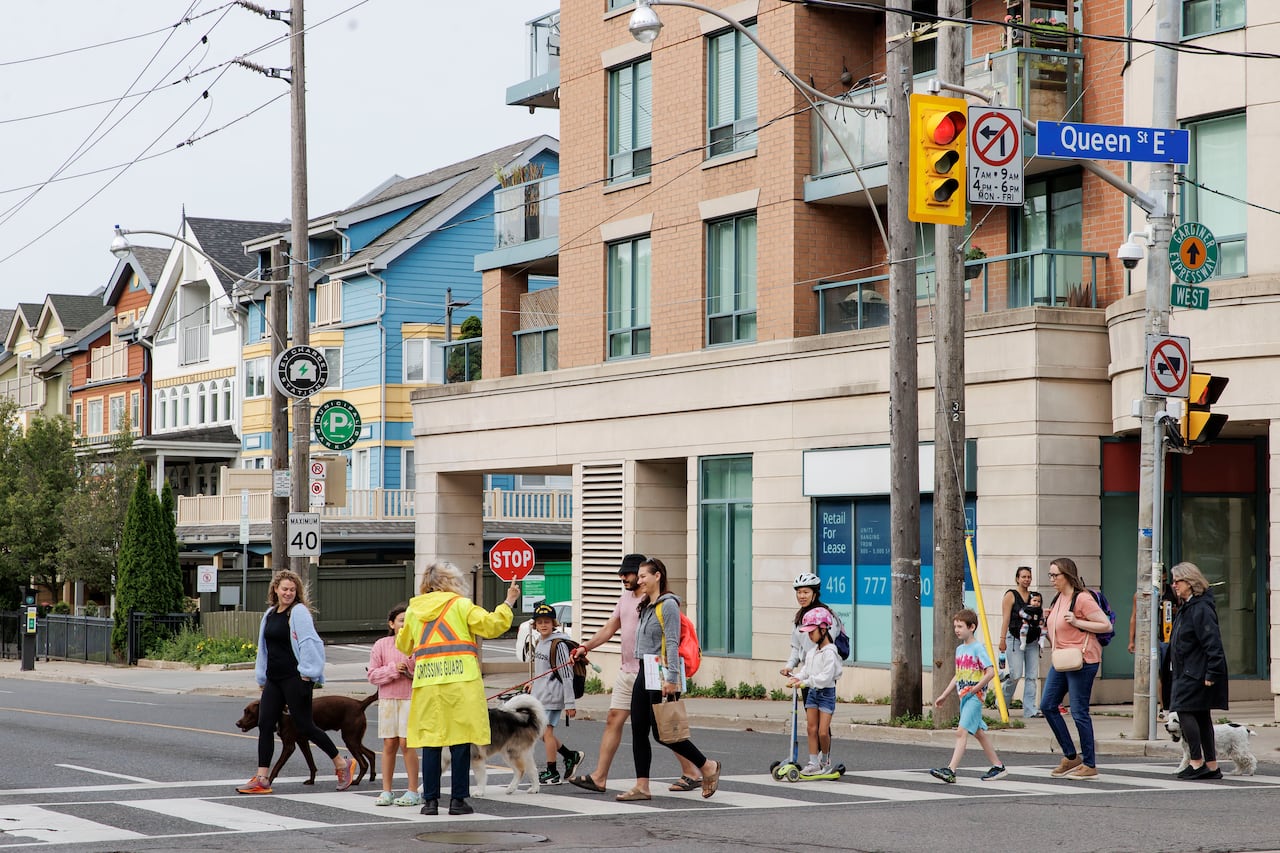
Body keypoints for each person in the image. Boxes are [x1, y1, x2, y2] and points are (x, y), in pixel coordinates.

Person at [568, 554, 701, 794]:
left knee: (661, 727)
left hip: (652, 673)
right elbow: (610, 628)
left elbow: (670, 641)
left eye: (632, 574)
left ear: (652, 576)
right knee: (619, 722)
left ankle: (695, 769)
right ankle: (601, 777)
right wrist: (585, 647)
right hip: (629, 671)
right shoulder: (629, 600)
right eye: (629, 574)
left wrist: (671, 678)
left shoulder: (660, 602)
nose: (625, 578)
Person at [396, 560, 519, 816]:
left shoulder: (413, 611)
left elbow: (404, 646)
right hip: (461, 684)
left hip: (429, 684)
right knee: (460, 743)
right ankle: (457, 801)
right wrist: (508, 602)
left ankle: (430, 802)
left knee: (431, 743)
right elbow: (492, 625)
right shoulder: (460, 605)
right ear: (450, 582)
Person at [237, 569, 356, 795]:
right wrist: (262, 677)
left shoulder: (298, 612)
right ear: (275, 589)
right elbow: (264, 648)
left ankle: (342, 763)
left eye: (292, 590)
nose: (288, 593)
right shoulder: (270, 614)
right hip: (274, 679)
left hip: (295, 678)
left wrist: (308, 673)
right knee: (265, 724)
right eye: (284, 589)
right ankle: (262, 778)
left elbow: (310, 643)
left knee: (304, 725)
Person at [616, 557, 722, 802]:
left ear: (657, 576)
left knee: (663, 732)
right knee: (639, 730)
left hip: (662, 672)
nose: (639, 580)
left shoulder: (668, 605)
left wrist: (672, 678)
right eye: (639, 576)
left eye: (643, 576)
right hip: (645, 669)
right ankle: (642, 786)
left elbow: (672, 642)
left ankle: (707, 766)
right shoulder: (646, 604)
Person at [1039, 557, 1113, 780]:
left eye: (1055, 575)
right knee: (1048, 705)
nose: (1051, 579)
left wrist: (1077, 621)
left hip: (1083, 659)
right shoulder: (1057, 598)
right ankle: (1071, 756)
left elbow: (1105, 624)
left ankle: (1089, 764)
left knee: (1079, 711)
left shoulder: (1082, 598)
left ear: (1068, 575)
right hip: (1062, 659)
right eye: (1050, 575)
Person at [929, 608, 1008, 783]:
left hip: (974, 697)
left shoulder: (978, 648)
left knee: (961, 732)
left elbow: (990, 672)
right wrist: (944, 695)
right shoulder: (959, 650)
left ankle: (951, 770)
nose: (957, 629)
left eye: (960, 626)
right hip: (963, 697)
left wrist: (976, 689)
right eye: (955, 626)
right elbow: (958, 675)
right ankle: (998, 766)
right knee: (978, 733)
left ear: (972, 627)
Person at [1167, 561, 1228, 780]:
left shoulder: (1200, 608)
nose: (1174, 585)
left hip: (1195, 672)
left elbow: (1213, 643)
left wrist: (1212, 673)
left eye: (1178, 581)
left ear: (1191, 582)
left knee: (1184, 711)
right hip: (1189, 670)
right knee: (1201, 715)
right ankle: (1211, 766)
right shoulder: (1189, 606)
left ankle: (1196, 762)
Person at [367, 603, 422, 806]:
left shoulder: (417, 645)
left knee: (407, 743)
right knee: (389, 743)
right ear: (391, 623)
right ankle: (386, 791)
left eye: (409, 622)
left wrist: (409, 673)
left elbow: (423, 674)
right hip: (388, 700)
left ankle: (412, 790)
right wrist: (392, 669)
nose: (404, 625)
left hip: (410, 698)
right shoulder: (381, 644)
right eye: (401, 621)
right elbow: (372, 675)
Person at [529, 603, 583, 785]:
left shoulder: (558, 644)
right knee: (541, 733)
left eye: (547, 622)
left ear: (554, 623)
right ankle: (570, 756)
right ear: (535, 625)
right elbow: (541, 670)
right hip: (540, 695)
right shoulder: (540, 642)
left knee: (547, 732)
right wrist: (532, 683)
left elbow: (566, 674)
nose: (543, 625)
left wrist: (570, 703)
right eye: (539, 622)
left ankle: (552, 772)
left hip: (553, 695)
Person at [784, 606, 842, 774]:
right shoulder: (811, 652)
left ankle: (825, 760)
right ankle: (813, 762)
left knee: (823, 732)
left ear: (823, 629)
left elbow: (825, 678)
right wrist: (797, 678)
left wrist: (806, 682)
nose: (809, 635)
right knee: (811, 729)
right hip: (813, 694)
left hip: (826, 694)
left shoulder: (830, 652)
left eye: (812, 631)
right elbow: (806, 670)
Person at [780, 572, 845, 680]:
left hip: (823, 675)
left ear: (814, 594)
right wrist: (789, 666)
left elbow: (828, 645)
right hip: (806, 673)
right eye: (799, 592)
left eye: (806, 592)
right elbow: (796, 647)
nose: (801, 596)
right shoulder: (799, 618)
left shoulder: (825, 616)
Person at [1128, 582, 1180, 710]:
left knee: (1165, 673)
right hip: (1149, 638)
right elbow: (1134, 616)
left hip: (1167, 637)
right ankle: (1155, 705)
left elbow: (1181, 610)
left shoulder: (1172, 592)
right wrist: (1131, 640)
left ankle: (1164, 705)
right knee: (1151, 673)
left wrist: (1174, 611)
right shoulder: (1140, 595)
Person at [998, 566, 1041, 718]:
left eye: (1029, 577)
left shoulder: (1034, 596)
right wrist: (1002, 640)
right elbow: (1006, 619)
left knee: (1031, 676)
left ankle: (1030, 710)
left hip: (1032, 641)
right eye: (1023, 576)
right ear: (1017, 578)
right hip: (1014, 639)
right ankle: (1002, 702)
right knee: (1016, 674)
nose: (1027, 579)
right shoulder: (1011, 595)